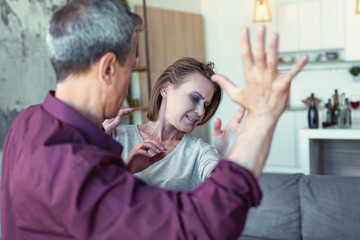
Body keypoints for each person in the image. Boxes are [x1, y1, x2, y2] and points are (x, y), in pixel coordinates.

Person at [1, 0, 308, 239]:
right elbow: (197, 229)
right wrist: (263, 119)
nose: (200, 112)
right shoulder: (76, 165)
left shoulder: (26, 124)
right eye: (130, 67)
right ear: (108, 69)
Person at [104, 57, 246, 191]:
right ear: (166, 90)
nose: (201, 112)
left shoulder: (200, 153)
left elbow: (223, 195)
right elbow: (93, 198)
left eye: (206, 105)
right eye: (195, 98)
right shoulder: (115, 136)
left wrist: (226, 157)